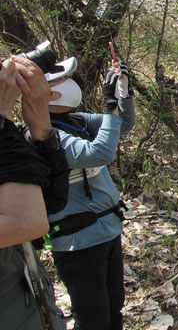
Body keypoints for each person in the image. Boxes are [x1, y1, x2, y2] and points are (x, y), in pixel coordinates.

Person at [46, 54, 135, 330]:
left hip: (107, 230)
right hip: (78, 243)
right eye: (62, 79)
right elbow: (101, 153)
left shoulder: (77, 120)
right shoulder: (47, 136)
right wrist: (110, 107)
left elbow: (124, 125)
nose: (70, 83)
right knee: (93, 316)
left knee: (114, 308)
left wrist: (123, 91)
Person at [1, 55, 70, 330]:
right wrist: (2, 117)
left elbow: (51, 204)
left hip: (34, 310)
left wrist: (40, 127)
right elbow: (27, 223)